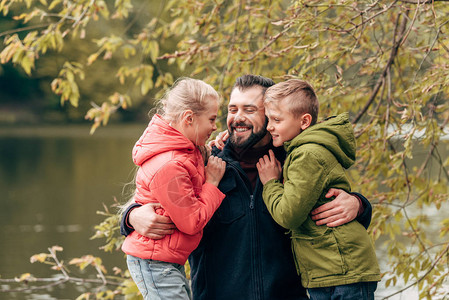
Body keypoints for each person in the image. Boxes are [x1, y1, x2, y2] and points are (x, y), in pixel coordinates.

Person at [121, 75, 374, 300]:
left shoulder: (295, 161)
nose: (237, 117)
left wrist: (359, 205)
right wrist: (131, 216)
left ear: (271, 116)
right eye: (232, 109)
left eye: (249, 109)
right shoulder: (208, 162)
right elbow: (156, 193)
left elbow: (333, 203)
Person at [256, 79, 381, 299]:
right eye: (268, 119)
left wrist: (271, 184)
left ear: (304, 121)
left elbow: (288, 215)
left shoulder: (307, 155)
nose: (269, 127)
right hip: (330, 269)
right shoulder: (300, 150)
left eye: (276, 119)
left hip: (342, 270)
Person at [121, 77, 227, 300]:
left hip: (165, 258)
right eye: (212, 119)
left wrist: (214, 148)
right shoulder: (169, 165)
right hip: (154, 261)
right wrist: (213, 183)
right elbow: (191, 222)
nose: (215, 126)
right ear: (189, 118)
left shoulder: (185, 150)